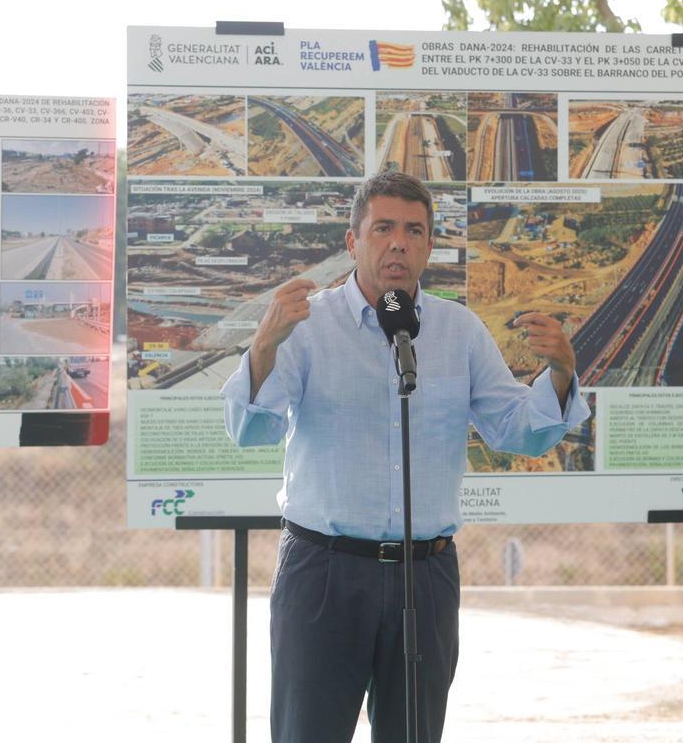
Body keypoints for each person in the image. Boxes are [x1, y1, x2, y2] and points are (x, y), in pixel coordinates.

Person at [221, 171, 590, 743]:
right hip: (324, 572)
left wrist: (562, 373)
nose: (398, 243)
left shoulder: (458, 330)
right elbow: (252, 431)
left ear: (428, 246)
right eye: (383, 228)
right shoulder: (306, 327)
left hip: (427, 573)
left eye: (414, 231)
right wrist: (264, 346)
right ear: (353, 241)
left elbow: (518, 432)